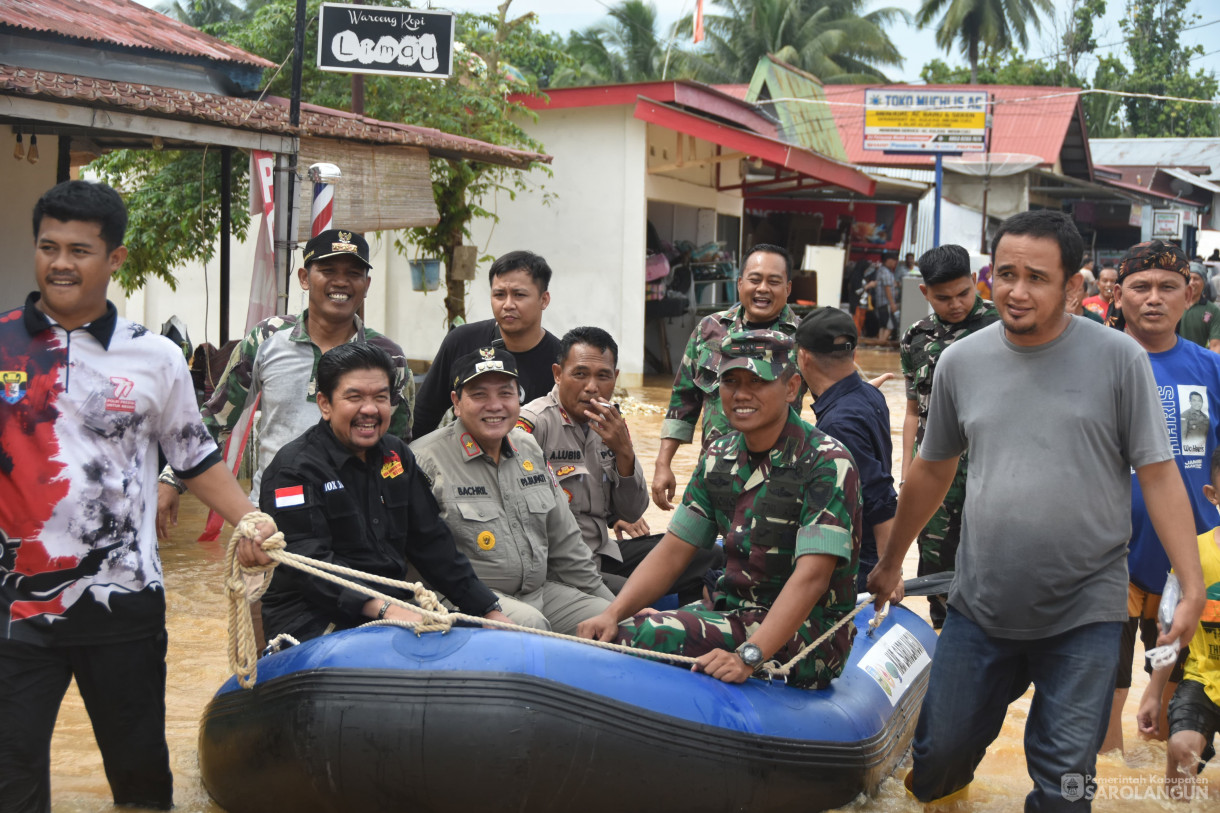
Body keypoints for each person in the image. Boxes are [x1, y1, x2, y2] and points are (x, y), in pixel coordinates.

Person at [869, 209, 1206, 809]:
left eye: (1037, 277)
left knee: (1068, 781)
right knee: (938, 758)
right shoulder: (961, 362)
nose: (1017, 291)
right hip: (980, 605)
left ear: (1073, 287)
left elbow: (1159, 475)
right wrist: (892, 561)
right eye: (1005, 274)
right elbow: (931, 468)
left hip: (1085, 613)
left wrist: (1192, 582)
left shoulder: (1118, 360)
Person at [0, 180, 274, 812]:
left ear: (114, 259)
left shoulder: (154, 357)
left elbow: (195, 455)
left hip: (122, 603)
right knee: (9, 777)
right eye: (48, 246)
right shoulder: (6, 344)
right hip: (14, 606)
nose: (61, 262)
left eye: (80, 249)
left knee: (141, 777)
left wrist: (250, 521)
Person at [579, 330, 861, 690]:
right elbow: (674, 549)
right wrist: (613, 612)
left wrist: (749, 655)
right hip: (732, 612)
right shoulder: (720, 456)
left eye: (757, 381)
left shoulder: (826, 464)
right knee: (616, 631)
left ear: (791, 388)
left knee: (641, 637)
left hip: (811, 634)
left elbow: (812, 579)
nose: (741, 394)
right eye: (730, 381)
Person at [156, 228, 414, 537]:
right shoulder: (266, 338)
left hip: (356, 524)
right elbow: (215, 419)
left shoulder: (387, 357)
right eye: (328, 270)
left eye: (354, 273)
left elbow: (399, 448)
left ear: (366, 284)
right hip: (272, 521)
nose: (341, 282)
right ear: (304, 278)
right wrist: (171, 479)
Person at [258, 343, 511, 642]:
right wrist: (384, 609)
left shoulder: (397, 455)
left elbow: (432, 542)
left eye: (380, 397)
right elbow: (310, 566)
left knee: (483, 643)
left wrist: (487, 610)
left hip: (393, 609)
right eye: (354, 397)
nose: (370, 409)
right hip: (312, 619)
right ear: (325, 404)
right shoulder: (293, 471)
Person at [1098, 239, 1220, 755]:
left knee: (1170, 692)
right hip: (1106, 556)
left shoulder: (1210, 370)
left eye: (1168, 287)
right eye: (1140, 286)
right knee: (1104, 686)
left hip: (1187, 563)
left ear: (1189, 294)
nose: (1154, 298)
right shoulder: (1093, 362)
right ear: (1116, 293)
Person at [410, 347, 614, 633]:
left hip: (538, 593)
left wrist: (615, 608)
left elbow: (567, 545)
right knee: (529, 624)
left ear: (518, 398)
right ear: (456, 402)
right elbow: (419, 562)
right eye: (479, 395)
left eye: (505, 393)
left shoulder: (528, 446)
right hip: (461, 599)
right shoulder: (424, 460)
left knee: (614, 620)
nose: (495, 406)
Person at [517, 327, 720, 603]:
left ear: (616, 378)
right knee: (636, 599)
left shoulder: (611, 423)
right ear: (557, 374)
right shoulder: (532, 425)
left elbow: (633, 510)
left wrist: (624, 452)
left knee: (708, 554)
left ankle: (694, 630)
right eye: (580, 374)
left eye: (603, 376)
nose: (592, 387)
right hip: (561, 568)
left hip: (603, 553)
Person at [653, 243, 799, 510]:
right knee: (696, 547)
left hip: (780, 479)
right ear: (740, 283)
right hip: (714, 472)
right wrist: (663, 464)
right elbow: (682, 401)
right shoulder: (709, 330)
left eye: (774, 281)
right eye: (755, 280)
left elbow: (828, 401)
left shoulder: (802, 339)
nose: (763, 289)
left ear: (788, 288)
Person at [898, 244, 999, 629]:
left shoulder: (1001, 326)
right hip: (934, 469)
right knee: (936, 562)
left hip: (989, 469)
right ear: (924, 293)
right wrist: (907, 469)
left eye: (963, 293)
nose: (956, 305)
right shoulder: (915, 337)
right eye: (943, 298)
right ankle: (943, 636)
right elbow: (912, 409)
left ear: (975, 282)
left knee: (989, 562)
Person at [1137, 446, 1220, 802]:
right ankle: (1175, 807)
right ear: (1212, 495)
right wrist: (1154, 693)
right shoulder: (1193, 557)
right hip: (1203, 678)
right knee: (1181, 747)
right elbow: (1170, 631)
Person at [794, 308, 896, 589]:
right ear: (854, 353)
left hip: (857, 560)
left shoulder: (839, 423)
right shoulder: (869, 394)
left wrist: (889, 569)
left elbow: (880, 495)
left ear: (803, 356)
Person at [412, 250, 562, 437]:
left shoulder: (561, 359)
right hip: (464, 459)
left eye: (519, 295)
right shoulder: (462, 341)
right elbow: (423, 417)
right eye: (499, 294)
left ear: (544, 299)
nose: (508, 304)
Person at [1180, 263, 1220, 353]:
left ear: (1204, 283)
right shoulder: (1175, 305)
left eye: (1196, 279)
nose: (1191, 282)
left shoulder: (1212, 310)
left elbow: (1216, 345)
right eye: (1189, 278)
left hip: (1198, 361)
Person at [871, 253, 898, 342]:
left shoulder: (881, 270)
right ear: (888, 260)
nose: (895, 263)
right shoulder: (886, 272)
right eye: (894, 260)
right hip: (886, 303)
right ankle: (882, 343)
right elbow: (887, 288)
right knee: (891, 326)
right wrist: (892, 303)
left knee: (883, 325)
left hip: (881, 303)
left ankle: (879, 343)